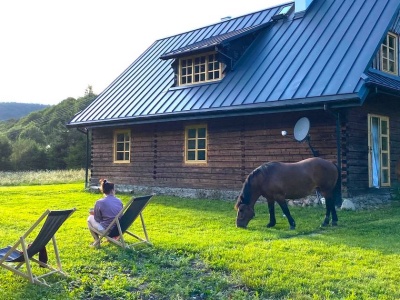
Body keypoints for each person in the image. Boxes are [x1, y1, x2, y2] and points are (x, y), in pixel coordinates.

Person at [87, 179, 123, 246]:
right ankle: (110, 239)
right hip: (119, 229)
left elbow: (97, 219)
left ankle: (97, 242)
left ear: (103, 191)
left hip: (108, 231)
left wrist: (94, 213)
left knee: (89, 219)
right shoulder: (119, 201)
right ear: (112, 190)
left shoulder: (99, 202)